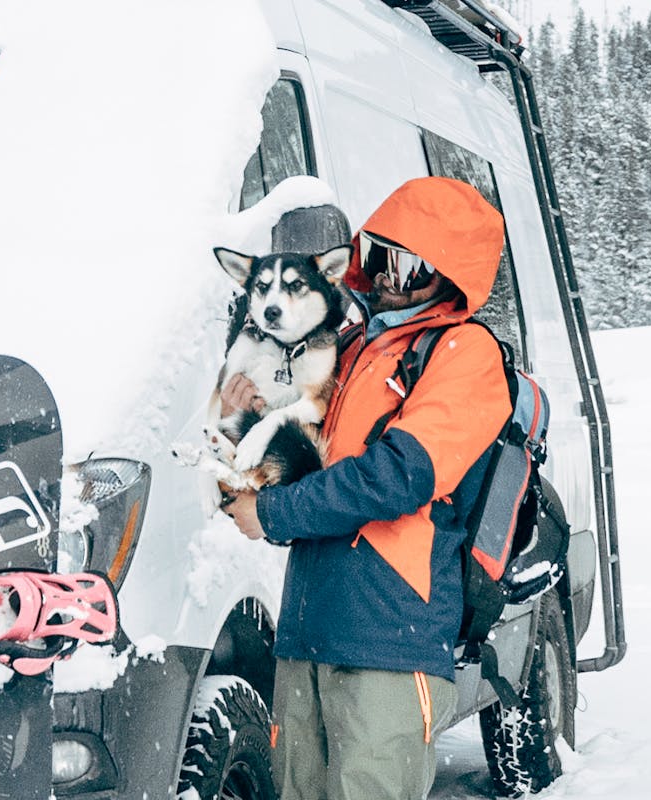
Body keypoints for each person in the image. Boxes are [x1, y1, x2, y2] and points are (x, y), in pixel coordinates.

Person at [222, 176, 511, 800]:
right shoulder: (352, 351)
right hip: (307, 631)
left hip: (390, 636)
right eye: (379, 254)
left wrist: (271, 514)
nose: (387, 277)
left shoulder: (466, 355)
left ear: (452, 275)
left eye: (411, 266)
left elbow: (398, 477)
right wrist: (241, 424)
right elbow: (311, 474)